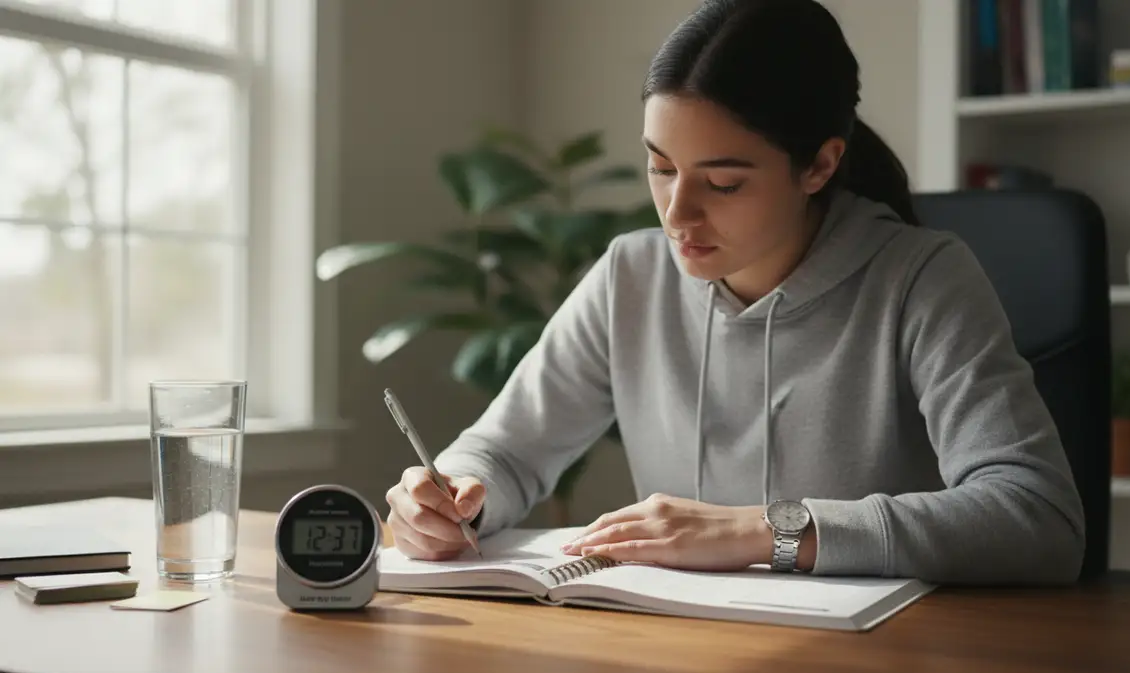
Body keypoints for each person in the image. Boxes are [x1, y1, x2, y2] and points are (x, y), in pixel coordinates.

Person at [384, 0, 1085, 585]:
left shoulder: (922, 277)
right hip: (688, 652)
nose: (676, 214)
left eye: (722, 183)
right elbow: (505, 453)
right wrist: (454, 499)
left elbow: (1038, 517)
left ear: (818, 165)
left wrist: (763, 531)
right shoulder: (631, 276)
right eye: (660, 168)